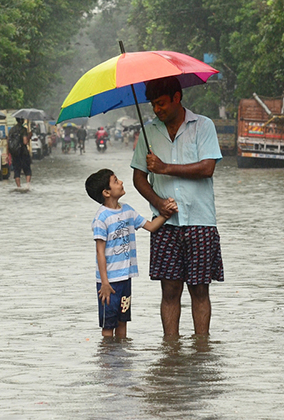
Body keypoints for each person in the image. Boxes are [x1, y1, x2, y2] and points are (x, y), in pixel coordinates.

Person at [130, 76, 224, 338]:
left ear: (177, 98)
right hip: (165, 224)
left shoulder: (203, 126)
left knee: (200, 290)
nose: (157, 110)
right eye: (153, 106)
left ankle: (201, 348)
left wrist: (165, 168)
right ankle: (170, 350)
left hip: (200, 221)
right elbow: (138, 177)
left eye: (161, 104)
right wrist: (158, 203)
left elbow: (207, 168)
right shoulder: (148, 132)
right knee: (169, 291)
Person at [85, 169, 177, 339]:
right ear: (106, 192)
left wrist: (166, 213)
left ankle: (122, 360)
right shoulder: (101, 218)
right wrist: (104, 282)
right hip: (109, 282)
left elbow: (150, 226)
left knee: (122, 321)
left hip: (125, 278)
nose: (120, 182)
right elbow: (100, 252)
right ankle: (107, 361)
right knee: (108, 325)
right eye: (115, 181)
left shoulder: (127, 210)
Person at [8, 118, 32, 187]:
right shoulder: (23, 130)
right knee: (27, 170)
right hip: (23, 153)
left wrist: (8, 153)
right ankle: (27, 186)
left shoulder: (12, 130)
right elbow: (25, 142)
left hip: (15, 153)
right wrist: (29, 136)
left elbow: (8, 142)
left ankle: (19, 187)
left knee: (16, 171)